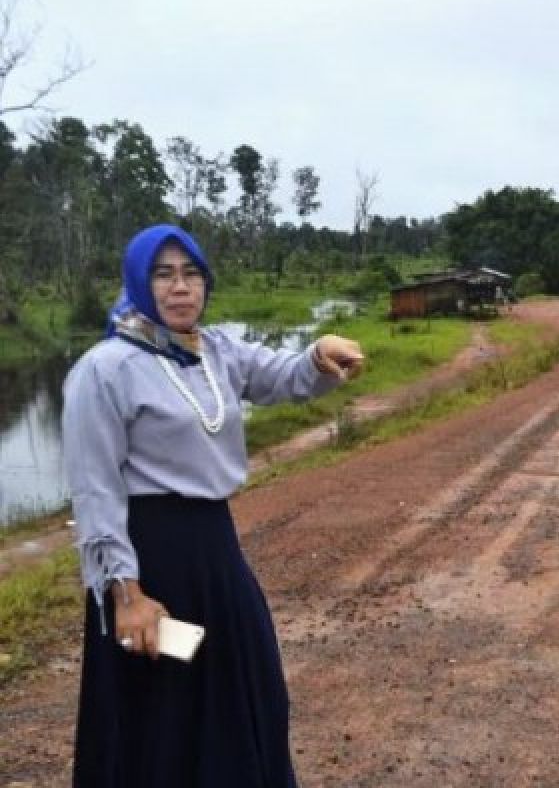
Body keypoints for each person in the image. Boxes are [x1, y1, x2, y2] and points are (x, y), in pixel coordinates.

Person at [63, 224, 364, 787]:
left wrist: (319, 355)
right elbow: (96, 490)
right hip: (149, 558)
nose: (181, 287)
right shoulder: (104, 370)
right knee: (165, 714)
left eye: (192, 273)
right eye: (164, 274)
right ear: (138, 281)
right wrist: (125, 594)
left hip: (216, 552)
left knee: (248, 689)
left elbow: (282, 377)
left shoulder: (217, 350)